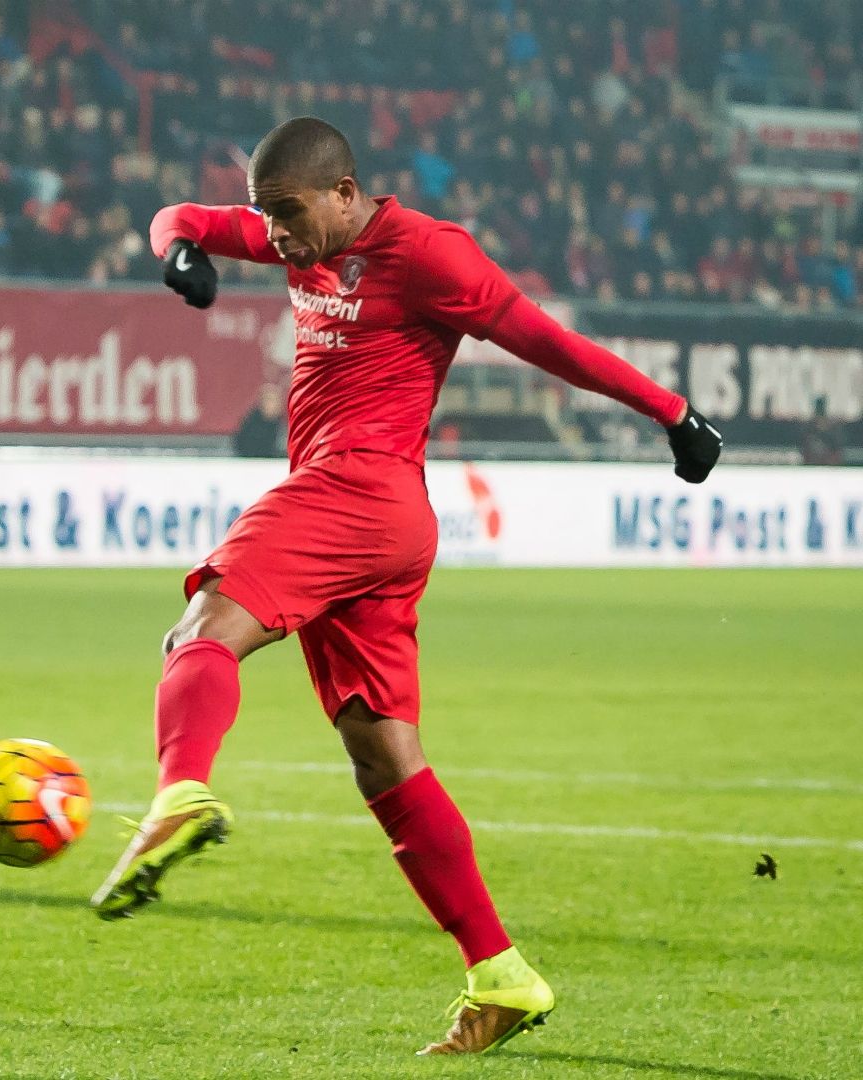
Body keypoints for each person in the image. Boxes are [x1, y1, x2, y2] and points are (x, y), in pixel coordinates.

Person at [91, 118, 722, 1056]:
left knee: (201, 632)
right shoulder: (293, 232)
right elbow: (174, 212)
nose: (280, 236)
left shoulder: (431, 254)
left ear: (346, 193)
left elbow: (545, 340)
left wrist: (671, 413)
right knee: (385, 757)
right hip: (384, 528)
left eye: (292, 214)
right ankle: (501, 972)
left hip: (358, 488)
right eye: (269, 217)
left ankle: (179, 795)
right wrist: (182, 251)